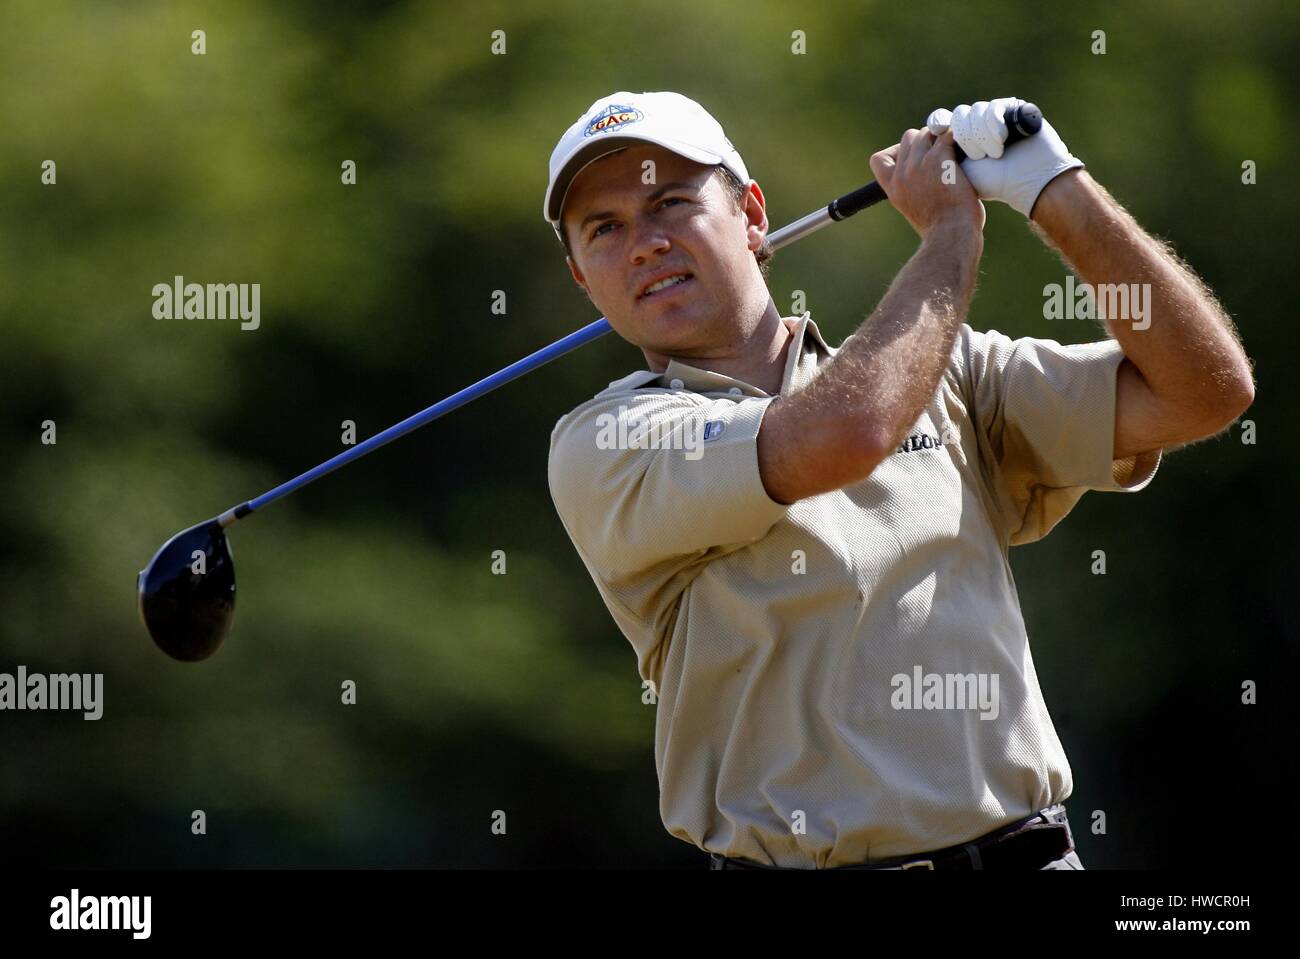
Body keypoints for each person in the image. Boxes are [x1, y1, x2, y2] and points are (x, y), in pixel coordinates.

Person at [542, 91, 1254, 869]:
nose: (644, 242)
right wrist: (951, 233)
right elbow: (845, 434)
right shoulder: (603, 443)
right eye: (604, 228)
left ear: (752, 215)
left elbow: (1206, 390)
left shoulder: (951, 370)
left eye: (671, 202)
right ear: (583, 276)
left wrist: (1054, 188)